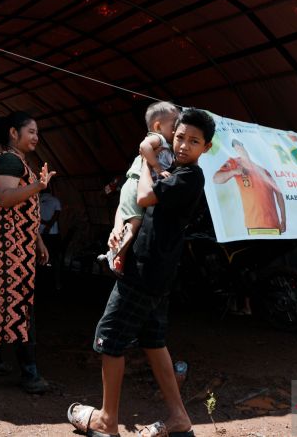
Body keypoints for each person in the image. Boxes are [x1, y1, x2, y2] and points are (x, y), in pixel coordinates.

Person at [68, 108, 215, 437]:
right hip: (156, 272)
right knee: (153, 341)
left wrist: (148, 160)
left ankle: (106, 421)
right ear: (171, 135)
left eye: (193, 141)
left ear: (206, 147)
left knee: (108, 340)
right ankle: (179, 418)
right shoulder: (176, 172)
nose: (183, 145)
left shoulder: (190, 177)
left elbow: (145, 196)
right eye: (179, 138)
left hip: (145, 273)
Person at [0, 111, 55, 394]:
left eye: (37, 133)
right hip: (5, 248)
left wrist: (37, 240)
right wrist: (38, 186)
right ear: (14, 133)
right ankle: (29, 374)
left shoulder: (17, 162)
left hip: (15, 244)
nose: (36, 138)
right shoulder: (8, 160)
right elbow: (4, 198)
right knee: (17, 303)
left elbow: (22, 210)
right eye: (31, 131)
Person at [97, 101, 180, 275]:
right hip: (135, 183)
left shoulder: (168, 146)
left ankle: (114, 257)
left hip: (132, 185)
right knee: (135, 222)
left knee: (125, 220)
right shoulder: (158, 138)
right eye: (174, 125)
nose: (176, 130)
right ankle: (115, 254)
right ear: (158, 126)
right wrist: (157, 168)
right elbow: (144, 146)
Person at [213, 139, 287, 235]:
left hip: (273, 226)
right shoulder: (234, 163)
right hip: (253, 225)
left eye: (239, 145)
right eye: (235, 146)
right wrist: (233, 172)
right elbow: (216, 179)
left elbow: (279, 194)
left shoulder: (264, 170)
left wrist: (283, 220)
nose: (238, 148)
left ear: (244, 147)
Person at [39, 186, 63, 290]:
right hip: (53, 234)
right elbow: (56, 215)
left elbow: (35, 217)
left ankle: (38, 281)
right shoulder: (55, 200)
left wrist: (44, 223)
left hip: (40, 235)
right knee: (55, 258)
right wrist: (49, 226)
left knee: (40, 258)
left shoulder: (37, 201)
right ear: (50, 190)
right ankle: (57, 283)